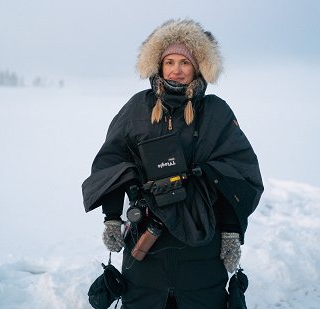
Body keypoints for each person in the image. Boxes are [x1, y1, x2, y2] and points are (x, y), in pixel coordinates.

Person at [82, 19, 263, 309]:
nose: (176, 70)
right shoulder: (137, 108)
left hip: (202, 240)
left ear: (197, 67)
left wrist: (231, 231)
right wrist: (112, 218)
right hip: (146, 240)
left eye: (184, 62)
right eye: (169, 62)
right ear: (158, 65)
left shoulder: (215, 112)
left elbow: (238, 172)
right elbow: (112, 163)